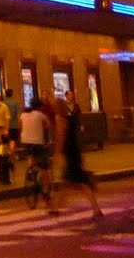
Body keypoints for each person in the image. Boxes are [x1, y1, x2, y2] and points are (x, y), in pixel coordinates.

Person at [55, 90, 104, 221]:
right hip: (74, 151)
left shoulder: (61, 119)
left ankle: (96, 208)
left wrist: (57, 153)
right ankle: (56, 207)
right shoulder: (69, 118)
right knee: (70, 181)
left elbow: (61, 136)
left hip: (70, 152)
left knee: (77, 182)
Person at [18, 96, 54, 210]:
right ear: (40, 107)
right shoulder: (41, 115)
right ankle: (45, 192)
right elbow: (48, 128)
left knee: (31, 156)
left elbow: (20, 127)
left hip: (26, 142)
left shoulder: (23, 115)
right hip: (38, 143)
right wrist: (49, 141)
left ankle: (31, 171)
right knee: (46, 169)